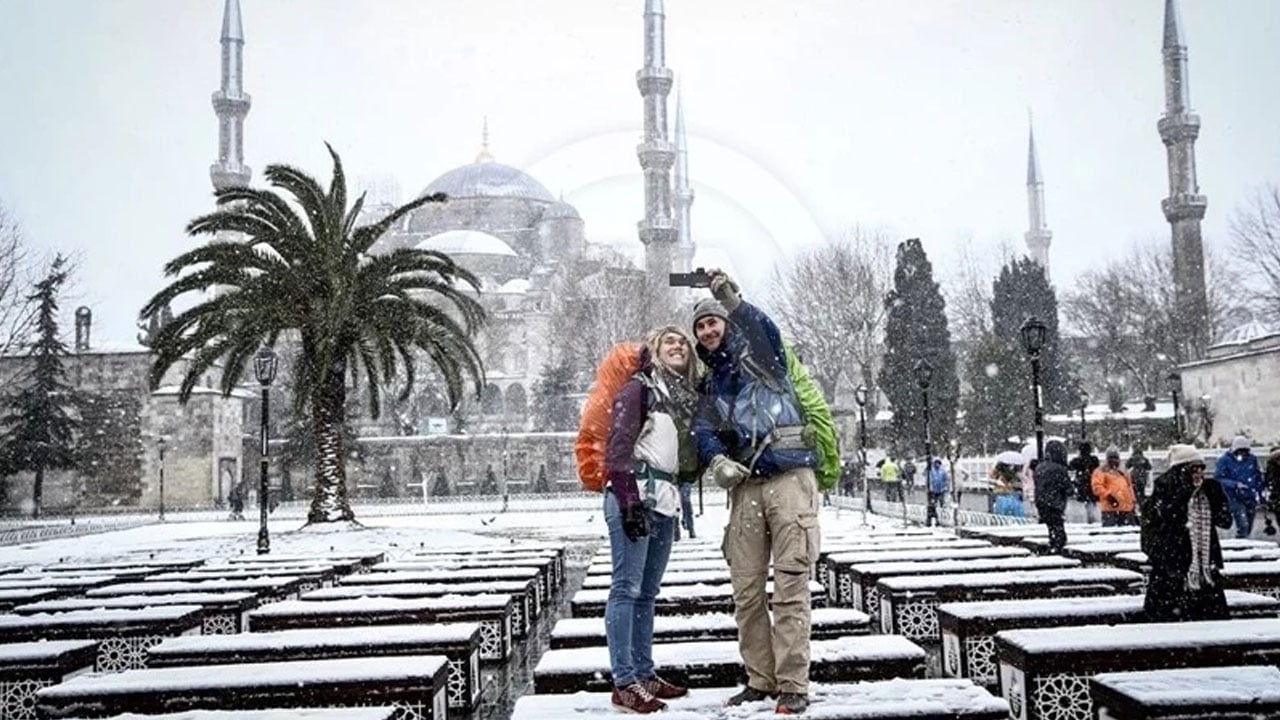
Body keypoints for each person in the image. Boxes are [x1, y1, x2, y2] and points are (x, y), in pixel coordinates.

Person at [691, 270, 819, 715]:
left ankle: (793, 683)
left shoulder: (762, 357)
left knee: (789, 586)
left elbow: (765, 329)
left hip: (787, 477)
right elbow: (704, 429)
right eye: (700, 327)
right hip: (745, 483)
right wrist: (716, 459)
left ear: (726, 323)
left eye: (713, 322)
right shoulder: (712, 382)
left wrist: (732, 301)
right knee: (746, 590)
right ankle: (760, 679)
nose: (708, 331)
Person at [602, 325, 701, 714]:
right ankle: (624, 682)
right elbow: (618, 448)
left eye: (683, 342)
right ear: (655, 351)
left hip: (663, 500)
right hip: (637, 495)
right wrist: (628, 501)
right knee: (626, 588)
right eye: (669, 341)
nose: (678, 345)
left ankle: (643, 674)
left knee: (646, 592)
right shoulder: (638, 389)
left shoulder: (679, 397)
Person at [1142, 444, 1232, 621]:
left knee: (1210, 615)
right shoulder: (1165, 485)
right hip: (1173, 560)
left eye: (1201, 467)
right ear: (1181, 469)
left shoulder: (1208, 489)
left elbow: (1225, 521)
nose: (1199, 473)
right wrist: (1186, 492)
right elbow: (1167, 517)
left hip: (1203, 562)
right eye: (1193, 468)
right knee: (1170, 612)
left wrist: (1216, 498)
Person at [1214, 436, 1264, 538]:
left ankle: (1243, 540)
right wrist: (1235, 484)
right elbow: (1219, 478)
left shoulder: (1252, 459)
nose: (1243, 454)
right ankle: (1241, 539)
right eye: (1240, 451)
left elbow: (1257, 476)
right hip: (1233, 496)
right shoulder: (1224, 460)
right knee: (1243, 524)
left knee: (1249, 524)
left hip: (1249, 496)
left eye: (1245, 451)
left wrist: (1260, 494)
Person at [1034, 440, 1073, 553]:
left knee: (1051, 528)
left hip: (1041, 502)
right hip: (1055, 504)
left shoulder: (1040, 467)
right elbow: (1068, 489)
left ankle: (1052, 547)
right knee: (1058, 531)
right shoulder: (1060, 469)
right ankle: (1056, 549)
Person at [1092, 447, 1139, 526]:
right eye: (1111, 457)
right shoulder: (1101, 471)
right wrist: (1108, 496)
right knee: (1110, 531)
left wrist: (1133, 502)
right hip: (1110, 509)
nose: (1113, 460)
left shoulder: (1123, 471)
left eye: (1115, 457)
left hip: (1126, 509)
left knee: (1128, 531)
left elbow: (1129, 487)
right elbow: (1097, 487)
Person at [1068, 442, 1101, 523]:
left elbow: (1070, 467)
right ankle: (1092, 521)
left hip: (1081, 487)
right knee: (1092, 508)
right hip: (1091, 487)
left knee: (1082, 509)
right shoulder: (1094, 460)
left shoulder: (1076, 461)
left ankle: (1085, 521)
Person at [990, 452, 1026, 518]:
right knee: (1017, 516)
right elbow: (1021, 482)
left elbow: (992, 476)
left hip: (1001, 494)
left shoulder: (1000, 467)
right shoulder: (1016, 468)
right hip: (1013, 495)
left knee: (1001, 515)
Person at [926, 458, 948, 526]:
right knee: (933, 505)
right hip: (933, 491)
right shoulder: (931, 471)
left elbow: (946, 480)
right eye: (935, 464)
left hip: (941, 490)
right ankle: (935, 518)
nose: (937, 465)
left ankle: (943, 518)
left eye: (938, 464)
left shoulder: (943, 471)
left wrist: (945, 487)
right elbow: (929, 479)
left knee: (942, 504)